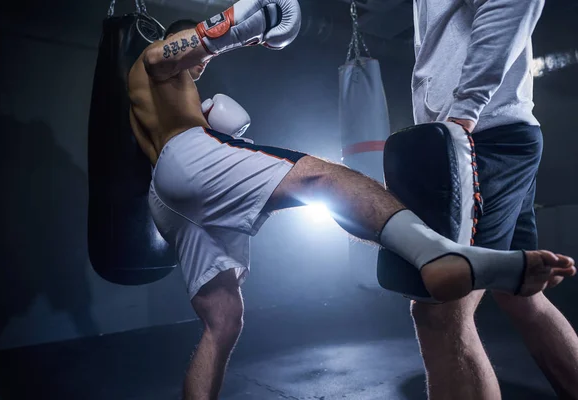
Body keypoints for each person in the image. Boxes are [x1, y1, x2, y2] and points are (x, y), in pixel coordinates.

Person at [126, 0, 575, 398]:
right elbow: (166, 55)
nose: (201, 69)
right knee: (325, 180)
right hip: (187, 159)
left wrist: (463, 111)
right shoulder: (160, 58)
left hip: (164, 199)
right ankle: (434, 251)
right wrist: (238, 26)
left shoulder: (156, 104)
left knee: (221, 323)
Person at [408, 0, 578, 398]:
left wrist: (464, 111)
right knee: (519, 293)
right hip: (492, 133)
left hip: (481, 137)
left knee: (441, 309)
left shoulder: (472, 126)